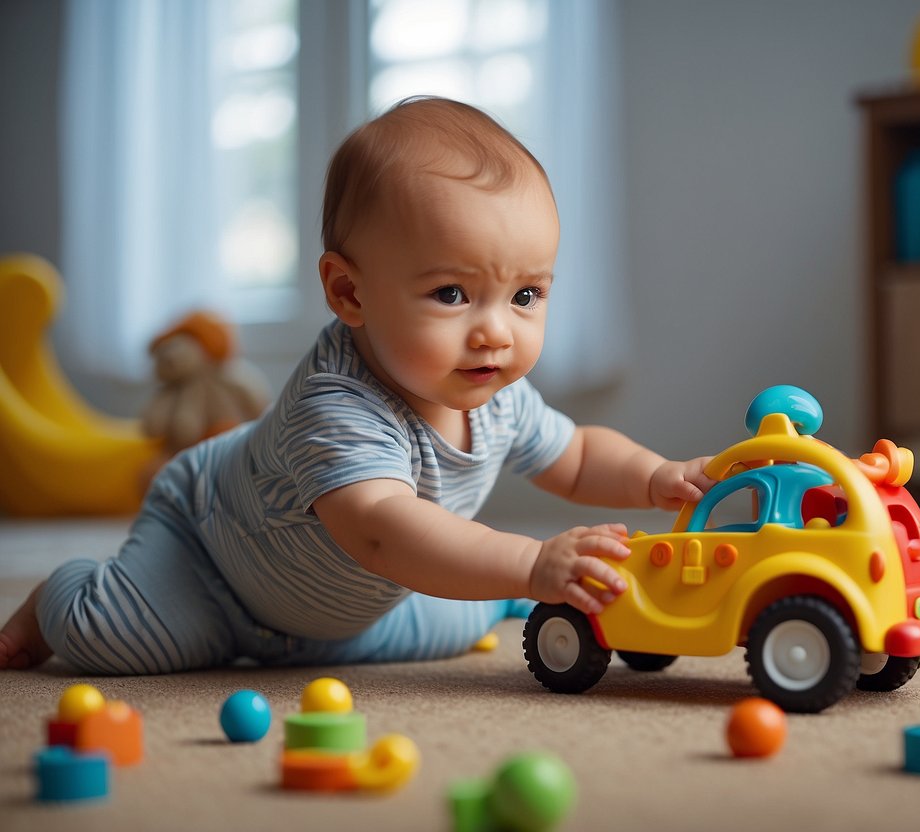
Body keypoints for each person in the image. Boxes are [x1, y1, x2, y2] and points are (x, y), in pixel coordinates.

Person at [0, 96, 713, 674]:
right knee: (121, 641)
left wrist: (659, 477)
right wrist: (530, 563)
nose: (496, 331)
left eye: (525, 295)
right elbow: (382, 535)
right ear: (349, 292)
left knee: (466, 601)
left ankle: (477, 602)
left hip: (355, 614)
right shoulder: (335, 405)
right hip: (210, 559)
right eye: (452, 294)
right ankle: (54, 599)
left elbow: (579, 456)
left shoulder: (496, 396)